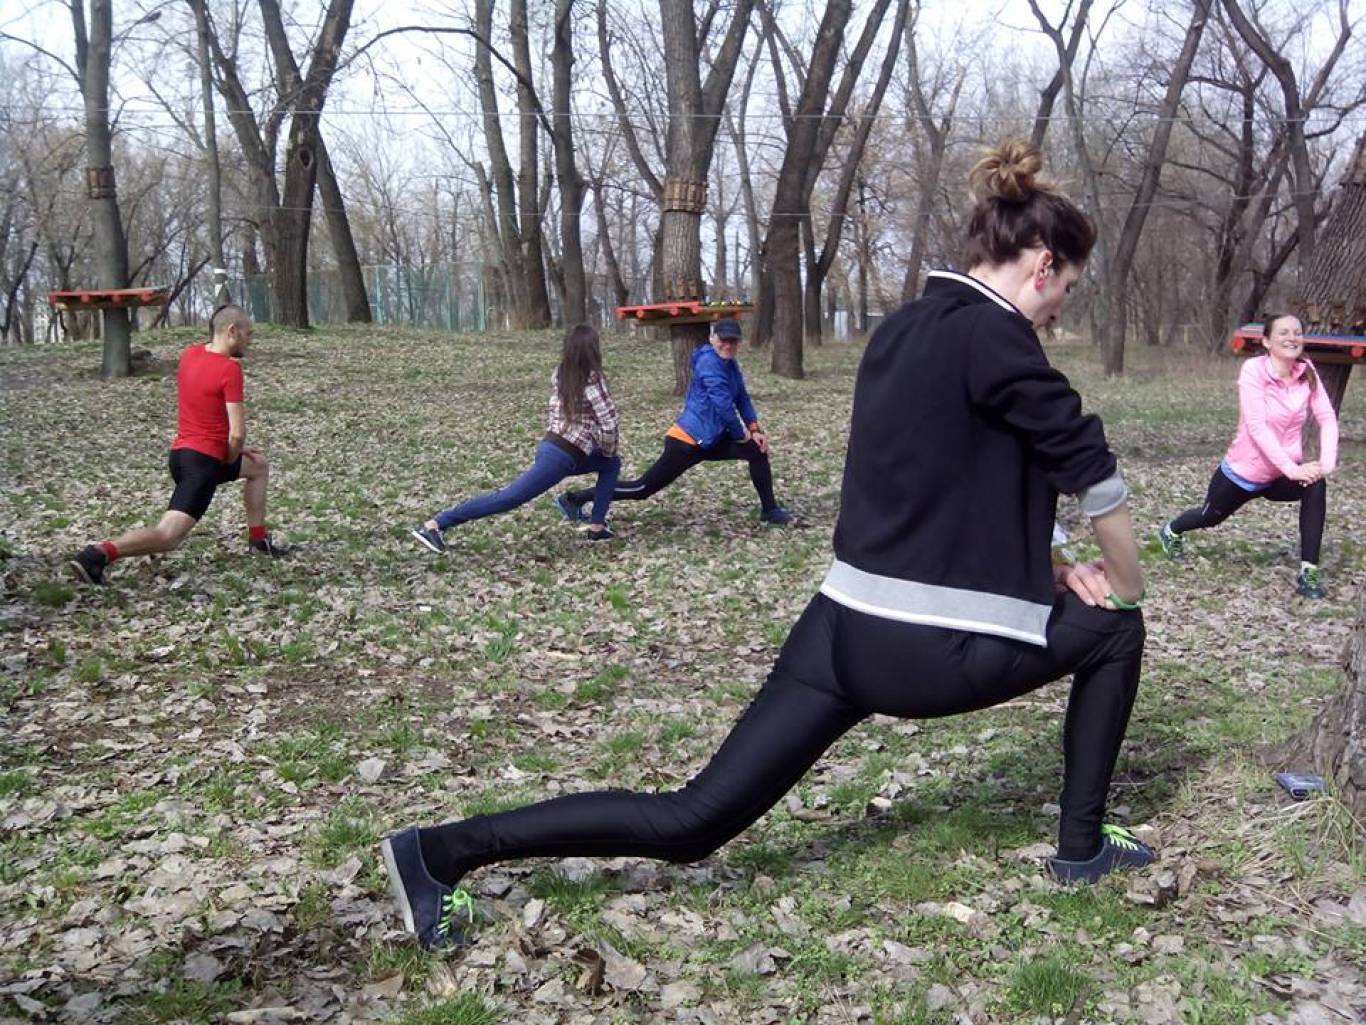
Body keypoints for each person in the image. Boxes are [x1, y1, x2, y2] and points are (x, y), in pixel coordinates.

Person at [379, 140, 1152, 951]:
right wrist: (1123, 584)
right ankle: (1082, 848)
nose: (1059, 310)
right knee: (1116, 629)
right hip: (927, 648)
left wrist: (1042, 566)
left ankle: (439, 851)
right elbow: (1099, 483)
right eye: (1067, 287)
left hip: (840, 623)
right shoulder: (1001, 340)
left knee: (692, 819)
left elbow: (943, 481)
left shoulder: (903, 328)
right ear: (1043, 264)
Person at [69, 305, 284, 585]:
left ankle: (258, 542)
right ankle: (96, 555)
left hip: (181, 456)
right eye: (248, 333)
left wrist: (234, 454)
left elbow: (209, 417)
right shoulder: (229, 369)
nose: (250, 340)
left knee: (258, 466)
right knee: (167, 536)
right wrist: (230, 457)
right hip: (203, 466)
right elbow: (237, 435)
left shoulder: (190, 354)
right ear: (232, 331)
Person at [1157, 314, 1337, 598]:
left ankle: (1308, 571)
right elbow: (1257, 428)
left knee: (1316, 484)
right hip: (1244, 473)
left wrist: (1326, 463)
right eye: (1284, 332)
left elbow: (1326, 417)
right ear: (1266, 341)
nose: (1292, 337)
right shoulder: (1254, 370)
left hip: (1280, 475)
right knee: (1209, 517)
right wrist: (1292, 469)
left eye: (1297, 332)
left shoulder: (1307, 371)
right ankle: (1171, 530)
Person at [554, 318, 792, 526]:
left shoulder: (730, 364)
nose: (728, 345)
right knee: (642, 488)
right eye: (723, 340)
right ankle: (574, 499)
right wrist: (742, 435)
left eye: (733, 341)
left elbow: (741, 397)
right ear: (712, 338)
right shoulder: (709, 363)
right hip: (687, 442)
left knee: (757, 450)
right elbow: (723, 405)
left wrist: (754, 428)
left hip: (713, 437)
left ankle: (769, 510)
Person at [410, 324, 621, 551]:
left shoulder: (562, 374)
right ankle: (435, 525)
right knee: (510, 498)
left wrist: (605, 454)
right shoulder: (593, 380)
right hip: (562, 457)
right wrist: (608, 450)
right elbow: (609, 423)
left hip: (553, 446)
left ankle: (597, 527)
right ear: (593, 350)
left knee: (611, 464)